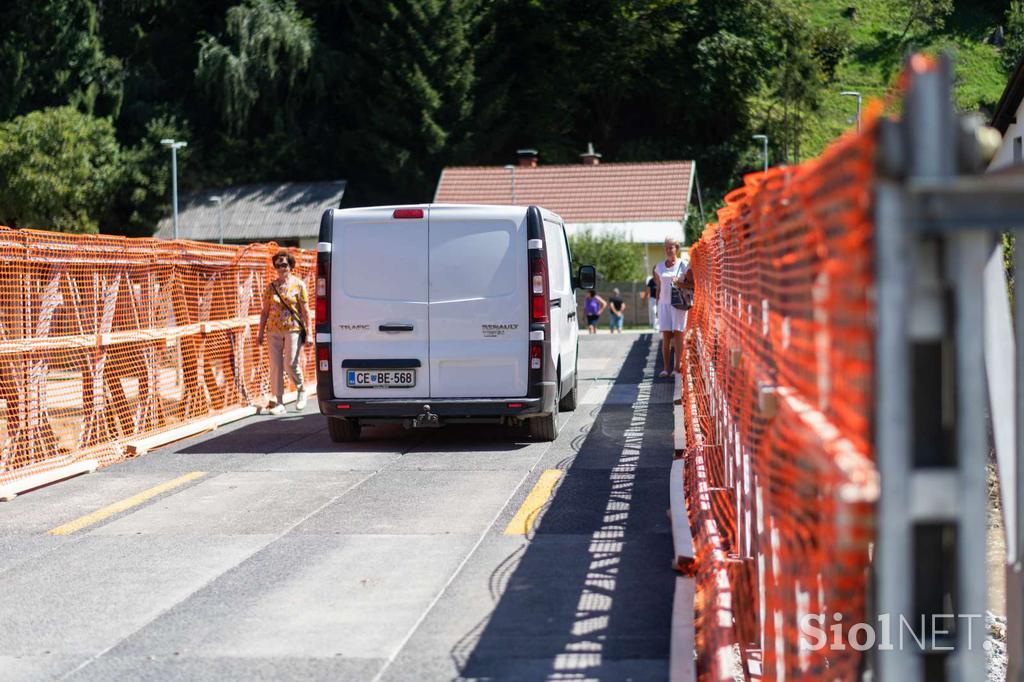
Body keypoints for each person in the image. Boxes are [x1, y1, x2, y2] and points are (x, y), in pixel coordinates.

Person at [257, 250, 311, 414]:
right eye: (278, 265)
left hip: (292, 329)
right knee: (275, 366)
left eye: (285, 265)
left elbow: (305, 312)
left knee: (290, 363)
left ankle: (301, 389)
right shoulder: (271, 287)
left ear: (291, 266)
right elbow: (264, 312)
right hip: (273, 331)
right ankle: (279, 402)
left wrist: (309, 334)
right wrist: (260, 333)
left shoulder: (299, 285)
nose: (282, 268)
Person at [654, 237, 691, 378]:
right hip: (664, 304)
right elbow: (658, 288)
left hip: (679, 304)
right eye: (666, 248)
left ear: (676, 248)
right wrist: (657, 307)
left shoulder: (684, 265)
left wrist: (679, 284)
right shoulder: (659, 267)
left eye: (671, 247)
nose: (668, 250)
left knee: (678, 335)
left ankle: (677, 367)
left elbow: (692, 285)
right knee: (666, 336)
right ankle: (665, 368)